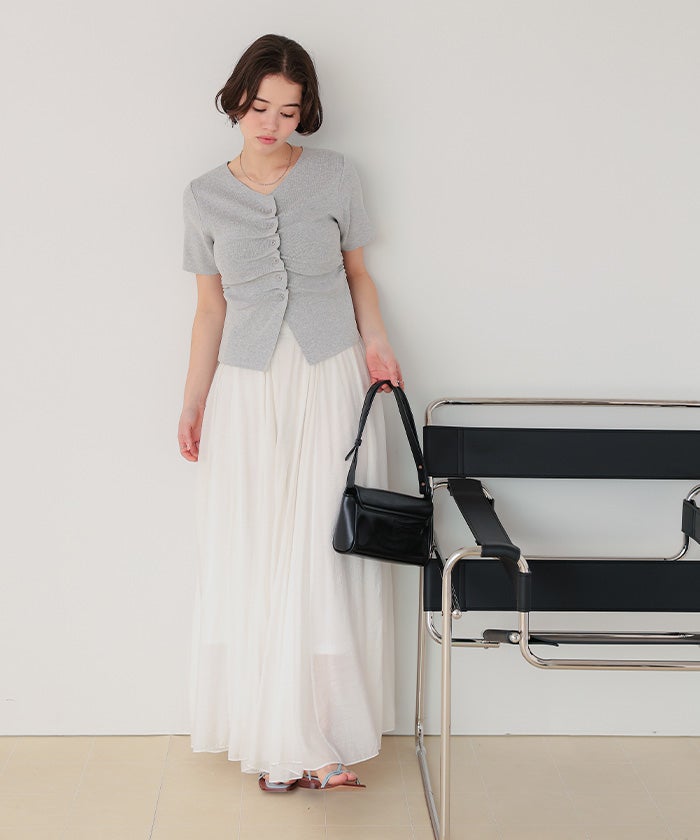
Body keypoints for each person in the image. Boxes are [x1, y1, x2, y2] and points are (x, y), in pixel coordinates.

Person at [178, 33, 401, 792]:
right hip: (246, 389)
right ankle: (276, 735)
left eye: (288, 110)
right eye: (259, 107)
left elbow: (359, 274)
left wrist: (377, 345)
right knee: (257, 552)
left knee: (318, 551)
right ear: (235, 101)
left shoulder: (336, 175)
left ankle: (318, 733)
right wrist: (193, 401)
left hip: (329, 372)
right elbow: (210, 310)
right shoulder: (203, 196)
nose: (271, 123)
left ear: (306, 113)